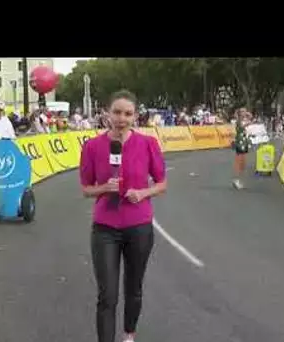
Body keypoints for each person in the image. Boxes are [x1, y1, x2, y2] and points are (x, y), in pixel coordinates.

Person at [79, 90, 167, 342]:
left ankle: (129, 334)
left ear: (135, 116)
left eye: (127, 113)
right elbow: (86, 189)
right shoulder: (93, 146)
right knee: (107, 295)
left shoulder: (148, 144)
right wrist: (104, 188)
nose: (121, 118)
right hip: (105, 228)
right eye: (116, 112)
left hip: (139, 227)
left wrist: (142, 193)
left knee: (133, 288)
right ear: (107, 113)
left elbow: (162, 183)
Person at [232, 108, 253, 190]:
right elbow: (243, 125)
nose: (245, 113)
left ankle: (239, 179)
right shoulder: (238, 121)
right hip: (239, 143)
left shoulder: (244, 119)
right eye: (243, 111)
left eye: (245, 111)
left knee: (243, 163)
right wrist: (248, 121)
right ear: (240, 113)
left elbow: (250, 117)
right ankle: (236, 179)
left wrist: (247, 114)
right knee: (239, 161)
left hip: (244, 142)